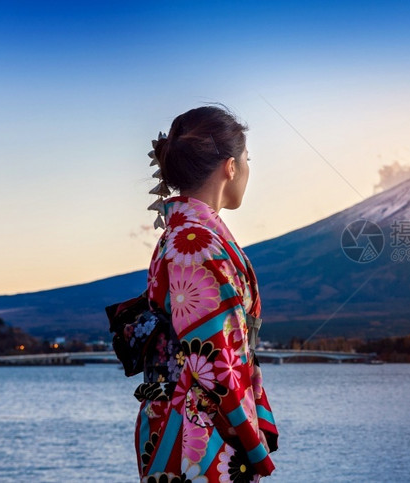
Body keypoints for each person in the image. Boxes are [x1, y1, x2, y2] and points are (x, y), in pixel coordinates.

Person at [134, 105, 278, 482]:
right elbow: (213, 354)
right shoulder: (194, 243)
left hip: (191, 416)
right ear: (230, 166)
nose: (248, 170)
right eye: (248, 159)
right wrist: (250, 437)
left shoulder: (187, 236)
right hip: (199, 428)